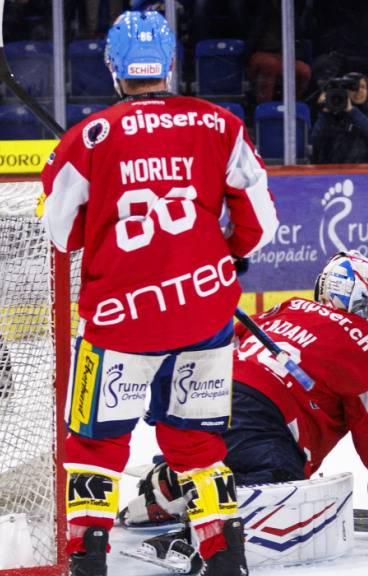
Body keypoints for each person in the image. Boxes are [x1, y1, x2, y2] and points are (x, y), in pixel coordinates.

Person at [38, 11, 279, 576]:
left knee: (96, 445)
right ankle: (225, 557)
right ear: (170, 63)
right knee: (198, 447)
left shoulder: (89, 137)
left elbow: (60, 234)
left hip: (121, 323)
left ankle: (87, 559)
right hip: (204, 315)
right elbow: (259, 225)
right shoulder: (219, 125)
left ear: (112, 68)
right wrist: (222, 252)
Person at [117, 251, 368, 570]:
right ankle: (194, 536)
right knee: (279, 487)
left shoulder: (286, 309)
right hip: (261, 421)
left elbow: (222, 346)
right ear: (365, 298)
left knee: (212, 450)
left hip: (195, 399)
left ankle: (170, 482)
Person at [311, 72, 368, 164]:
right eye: (354, 87)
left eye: (363, 87)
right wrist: (326, 112)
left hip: (364, 169)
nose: (359, 91)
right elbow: (315, 140)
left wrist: (351, 110)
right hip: (332, 170)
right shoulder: (330, 115)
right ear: (344, 90)